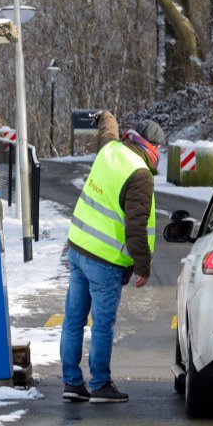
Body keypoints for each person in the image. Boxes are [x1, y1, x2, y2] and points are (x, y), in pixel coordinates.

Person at [61, 110, 164, 404]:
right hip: (104, 261)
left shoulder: (110, 150)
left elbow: (108, 129)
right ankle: (101, 385)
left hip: (78, 250)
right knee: (103, 324)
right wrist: (143, 266)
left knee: (73, 320)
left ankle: (72, 383)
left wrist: (105, 115)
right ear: (152, 148)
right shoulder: (141, 175)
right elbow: (136, 227)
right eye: (160, 149)